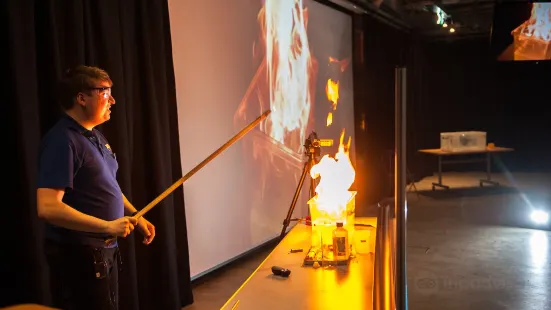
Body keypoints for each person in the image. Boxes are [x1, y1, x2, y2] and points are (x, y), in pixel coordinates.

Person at [36, 65, 156, 310]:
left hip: (104, 250)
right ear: (81, 98)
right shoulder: (62, 141)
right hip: (79, 256)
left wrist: (135, 214)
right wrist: (107, 225)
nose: (112, 99)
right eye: (104, 92)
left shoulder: (95, 136)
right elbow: (47, 207)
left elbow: (109, 186)